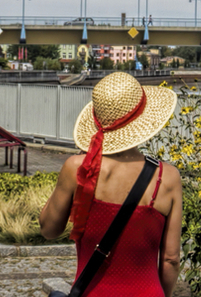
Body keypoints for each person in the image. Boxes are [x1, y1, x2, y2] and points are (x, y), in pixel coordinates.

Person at [40, 73, 182, 296]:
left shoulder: (78, 168)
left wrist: (79, 160)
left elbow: (48, 229)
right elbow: (171, 259)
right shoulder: (167, 177)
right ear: (142, 120)